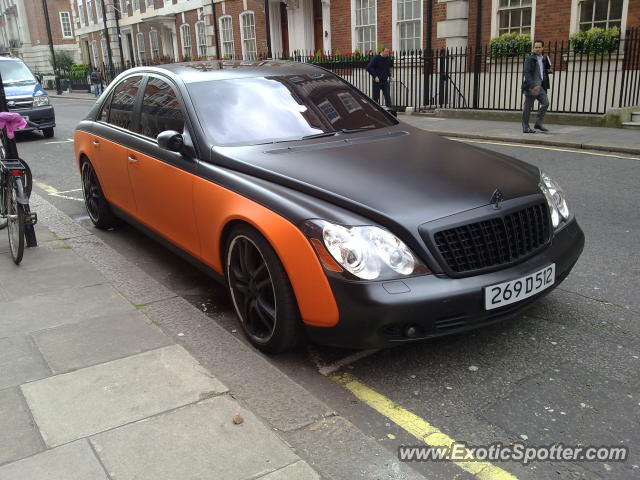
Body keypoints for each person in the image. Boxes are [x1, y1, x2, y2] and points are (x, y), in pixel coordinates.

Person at [521, 40, 550, 133]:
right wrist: (532, 85)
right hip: (531, 86)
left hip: (540, 86)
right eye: (535, 47)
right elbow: (527, 73)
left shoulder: (543, 59)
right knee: (528, 107)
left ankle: (538, 123)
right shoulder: (530, 59)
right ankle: (525, 127)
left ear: (542, 48)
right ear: (533, 48)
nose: (537, 49)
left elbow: (542, 71)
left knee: (545, 103)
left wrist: (548, 71)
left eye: (539, 47)